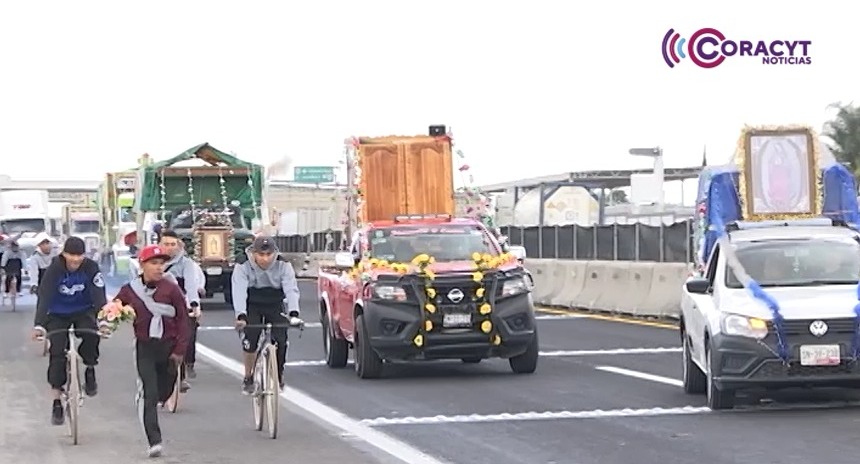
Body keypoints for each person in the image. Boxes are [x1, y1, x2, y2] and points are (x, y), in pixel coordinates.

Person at [114, 244, 190, 458]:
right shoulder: (130, 290)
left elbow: (183, 320)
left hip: (169, 348)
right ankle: (154, 441)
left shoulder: (171, 289)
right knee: (149, 392)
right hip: (145, 347)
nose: (159, 268)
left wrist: (180, 351)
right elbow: (114, 308)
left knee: (164, 391)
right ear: (142, 265)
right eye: (153, 263)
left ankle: (157, 397)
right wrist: (110, 320)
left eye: (161, 264)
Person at [31, 236, 107, 426]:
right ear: (64, 254)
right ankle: (57, 400)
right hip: (57, 314)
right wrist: (39, 325)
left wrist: (104, 320)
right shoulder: (54, 269)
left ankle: (90, 368)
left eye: (79, 256)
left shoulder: (91, 267)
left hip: (84, 310)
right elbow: (45, 297)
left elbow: (99, 295)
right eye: (71, 256)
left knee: (92, 335)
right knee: (57, 352)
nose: (75, 260)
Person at [232, 235, 302, 393]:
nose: (265, 259)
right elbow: (239, 291)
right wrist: (241, 316)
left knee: (281, 339)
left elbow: (291, 289)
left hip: (274, 302)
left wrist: (294, 313)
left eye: (268, 255)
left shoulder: (283, 265)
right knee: (251, 337)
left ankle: (279, 373)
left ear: (274, 253)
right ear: (254, 253)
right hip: (252, 303)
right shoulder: (243, 265)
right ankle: (248, 376)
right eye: (261, 255)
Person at [156, 230, 201, 389]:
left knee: (187, 333)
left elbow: (190, 285)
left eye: (172, 244)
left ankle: (181, 375)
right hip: (158, 304)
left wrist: (194, 304)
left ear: (178, 245)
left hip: (181, 302)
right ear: (160, 245)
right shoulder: (153, 261)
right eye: (166, 244)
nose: (169, 248)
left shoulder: (186, 263)